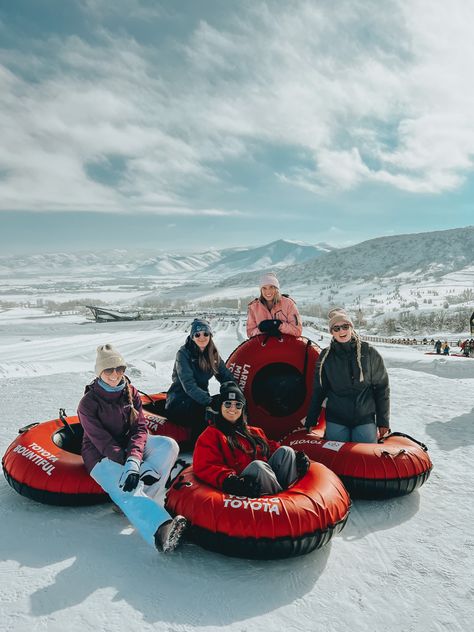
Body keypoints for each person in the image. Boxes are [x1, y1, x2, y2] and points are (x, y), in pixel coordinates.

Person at [78, 344, 187, 553]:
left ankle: (136, 501)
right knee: (126, 485)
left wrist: (135, 460)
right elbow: (102, 441)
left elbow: (140, 428)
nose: (115, 374)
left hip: (129, 447)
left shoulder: (130, 391)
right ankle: (161, 531)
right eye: (109, 370)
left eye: (119, 369)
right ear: (99, 372)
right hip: (100, 456)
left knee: (168, 445)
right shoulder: (88, 404)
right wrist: (131, 464)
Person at [193, 382, 310, 496]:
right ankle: (281, 504)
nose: (232, 409)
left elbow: (272, 449)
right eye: (228, 404)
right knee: (258, 467)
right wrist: (231, 481)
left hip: (267, 479)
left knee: (286, 451)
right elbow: (206, 465)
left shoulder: (254, 431)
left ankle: (292, 496)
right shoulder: (211, 435)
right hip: (243, 483)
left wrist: (297, 458)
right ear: (220, 406)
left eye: (237, 405)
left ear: (243, 408)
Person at [305, 308, 390, 443]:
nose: (341, 331)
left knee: (366, 455)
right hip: (336, 418)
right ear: (331, 332)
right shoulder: (326, 356)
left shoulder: (369, 352)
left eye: (345, 326)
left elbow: (382, 388)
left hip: (364, 417)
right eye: (336, 328)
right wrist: (311, 418)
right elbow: (319, 389)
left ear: (351, 327)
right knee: (335, 457)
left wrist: (383, 422)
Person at [165, 318, 237, 440]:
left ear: (210, 335)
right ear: (192, 337)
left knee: (225, 403)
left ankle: (232, 439)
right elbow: (189, 385)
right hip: (180, 402)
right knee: (204, 412)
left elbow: (225, 376)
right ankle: (199, 446)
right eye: (197, 334)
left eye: (205, 334)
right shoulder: (183, 354)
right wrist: (209, 402)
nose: (202, 337)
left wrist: (235, 394)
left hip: (200, 400)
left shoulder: (212, 354)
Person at [246, 272, 302, 338]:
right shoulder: (254, 307)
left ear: (276, 289)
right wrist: (261, 329)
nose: (268, 291)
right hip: (263, 346)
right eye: (264, 288)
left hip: (285, 345)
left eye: (271, 287)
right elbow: (250, 333)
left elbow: (297, 331)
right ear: (261, 290)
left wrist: (279, 325)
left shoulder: (289, 304)